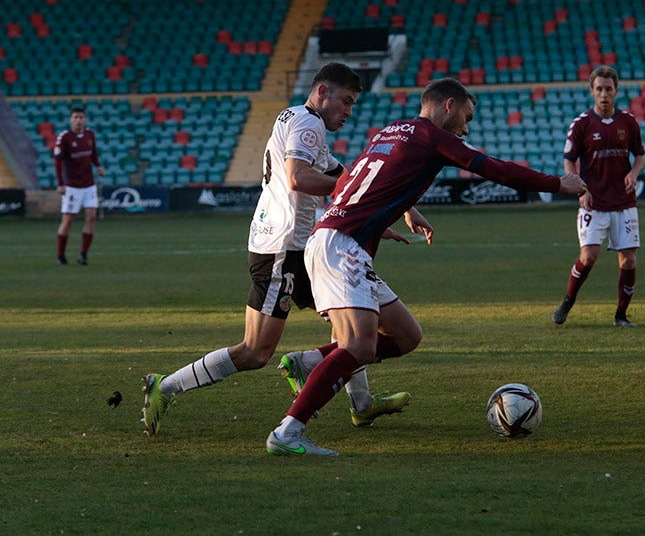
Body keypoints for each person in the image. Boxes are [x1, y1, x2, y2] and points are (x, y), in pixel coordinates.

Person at [264, 77, 586, 456]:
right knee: (359, 345)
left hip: (341, 239)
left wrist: (401, 211)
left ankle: (311, 363)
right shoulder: (434, 136)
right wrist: (557, 184)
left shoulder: (391, 131)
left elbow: (362, 181)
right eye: (465, 117)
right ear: (447, 105)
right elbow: (493, 168)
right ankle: (288, 431)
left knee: (406, 336)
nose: (466, 129)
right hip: (341, 244)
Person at [141, 63, 419, 437]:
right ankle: (167, 385)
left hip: (298, 247)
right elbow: (298, 178)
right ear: (322, 92)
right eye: (346, 102)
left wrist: (394, 211)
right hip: (283, 251)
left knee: (350, 322)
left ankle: (362, 403)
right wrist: (358, 203)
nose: (349, 112)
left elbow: (348, 175)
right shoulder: (309, 124)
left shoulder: (298, 119)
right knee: (255, 352)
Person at [550, 65, 645, 328]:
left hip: (624, 201)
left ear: (616, 91)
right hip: (594, 202)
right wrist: (580, 189)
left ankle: (621, 316)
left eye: (609, 89)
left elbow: (640, 155)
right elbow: (569, 161)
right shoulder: (581, 125)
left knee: (628, 260)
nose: (604, 94)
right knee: (588, 257)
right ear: (592, 91)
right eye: (599, 89)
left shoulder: (628, 121)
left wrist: (634, 173)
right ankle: (568, 300)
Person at [53, 105, 104, 266]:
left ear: (85, 119)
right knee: (68, 220)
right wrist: (61, 184)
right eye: (75, 117)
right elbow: (58, 162)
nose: (78, 120)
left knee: (91, 217)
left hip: (89, 185)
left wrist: (98, 165)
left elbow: (93, 153)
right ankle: (61, 256)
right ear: (71, 120)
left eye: (81, 117)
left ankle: (83, 255)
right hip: (73, 186)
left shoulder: (90, 135)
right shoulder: (64, 137)